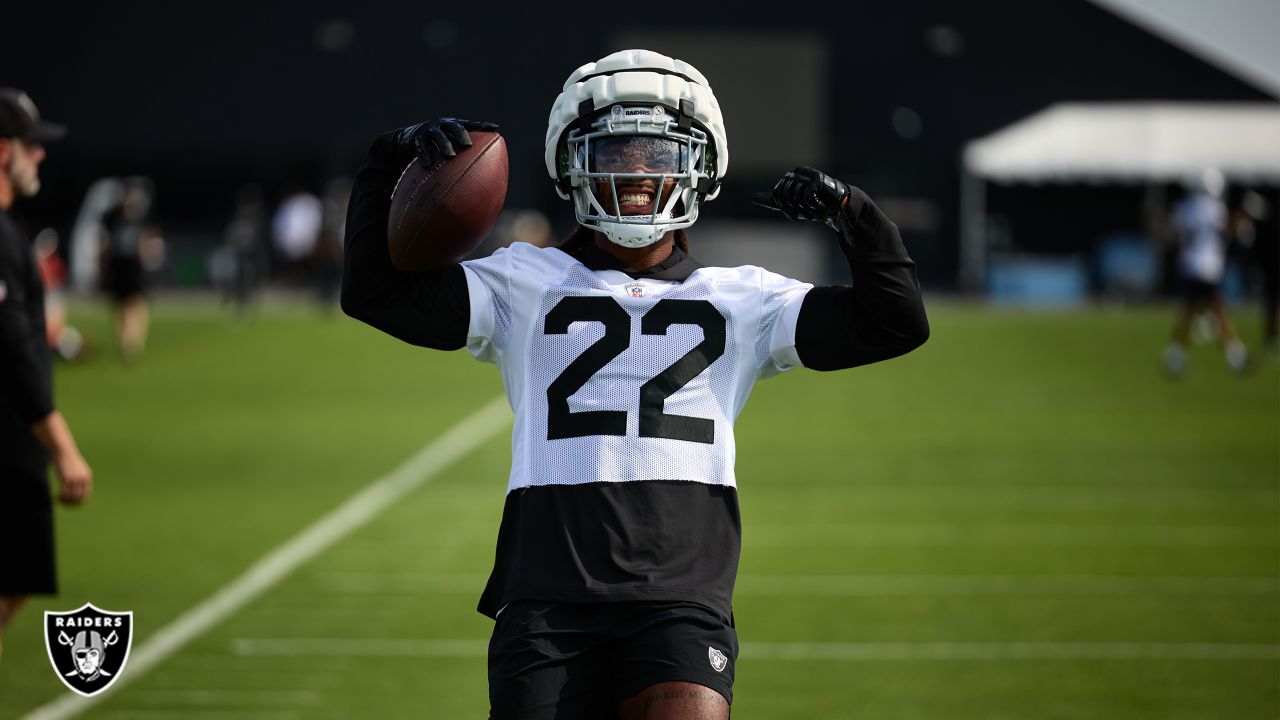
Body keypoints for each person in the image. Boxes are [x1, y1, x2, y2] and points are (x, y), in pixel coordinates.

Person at [342, 50, 929, 719]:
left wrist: (854, 213)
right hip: (548, 593)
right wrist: (390, 162)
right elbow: (374, 293)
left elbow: (895, 324)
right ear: (573, 165)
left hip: (681, 595)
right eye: (616, 152)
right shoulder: (520, 281)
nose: (638, 172)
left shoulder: (745, 299)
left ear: (698, 168)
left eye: (658, 153)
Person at [0, 87, 93, 663]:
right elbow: (11, 346)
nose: (40, 157)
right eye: (31, 146)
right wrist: (63, 446)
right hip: (6, 443)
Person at [1162, 169, 1248, 377]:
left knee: (1193, 311)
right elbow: (1233, 230)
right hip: (1209, 267)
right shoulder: (1217, 209)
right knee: (1213, 311)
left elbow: (1173, 234)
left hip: (1190, 266)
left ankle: (1176, 355)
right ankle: (1234, 355)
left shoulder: (1185, 208)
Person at [100, 177, 161, 360]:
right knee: (119, 304)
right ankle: (125, 339)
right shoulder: (111, 217)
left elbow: (151, 239)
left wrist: (150, 258)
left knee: (136, 302)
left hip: (135, 266)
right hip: (118, 266)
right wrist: (102, 267)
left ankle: (132, 341)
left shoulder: (142, 217)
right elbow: (105, 244)